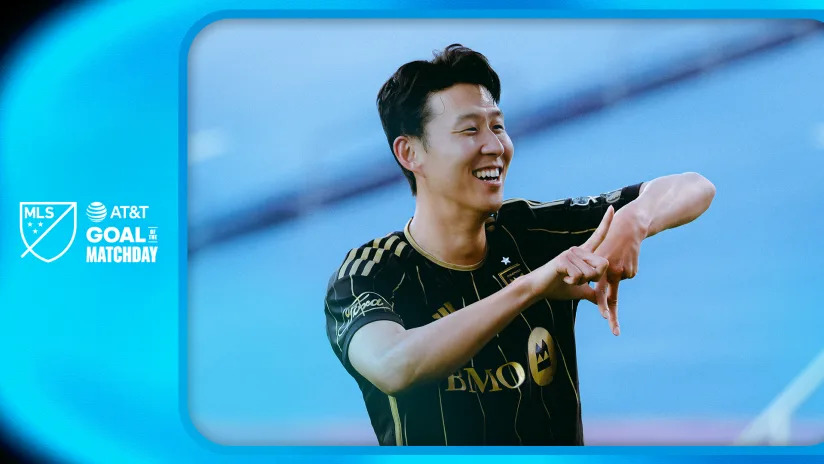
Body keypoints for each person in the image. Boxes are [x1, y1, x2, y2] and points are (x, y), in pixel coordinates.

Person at [324, 44, 715, 446]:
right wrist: (532, 286)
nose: (495, 146)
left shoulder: (530, 231)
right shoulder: (369, 274)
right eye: (470, 130)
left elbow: (694, 187)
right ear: (410, 153)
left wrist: (634, 219)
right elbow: (394, 366)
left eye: (497, 126)